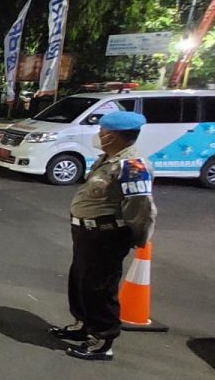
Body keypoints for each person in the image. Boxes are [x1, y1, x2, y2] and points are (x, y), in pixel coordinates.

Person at [49, 111, 156, 361]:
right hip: (88, 232)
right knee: (81, 281)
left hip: (107, 236)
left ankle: (102, 340)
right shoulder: (108, 158)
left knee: (99, 287)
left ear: (115, 136)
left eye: (103, 133)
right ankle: (84, 326)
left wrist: (138, 237)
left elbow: (140, 207)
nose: (99, 136)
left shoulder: (133, 165)